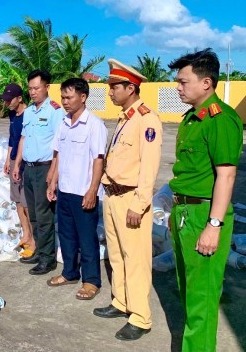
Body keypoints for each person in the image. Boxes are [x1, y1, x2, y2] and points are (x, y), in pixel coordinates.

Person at [167, 48, 242, 352]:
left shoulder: (220, 119)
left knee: (202, 302)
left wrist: (214, 225)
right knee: (189, 293)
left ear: (206, 83)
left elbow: (226, 176)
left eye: (184, 82)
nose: (178, 87)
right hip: (185, 212)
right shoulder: (191, 119)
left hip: (205, 215)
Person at [93, 59, 162, 341]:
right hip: (112, 196)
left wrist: (140, 203)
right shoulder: (125, 117)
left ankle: (141, 317)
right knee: (117, 255)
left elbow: (149, 166)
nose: (110, 92)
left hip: (131, 198)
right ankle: (121, 302)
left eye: (114, 87)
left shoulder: (147, 119)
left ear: (130, 88)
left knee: (136, 259)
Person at [46, 78, 107, 300]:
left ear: (83, 97)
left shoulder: (95, 125)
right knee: (67, 235)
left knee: (86, 238)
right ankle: (69, 272)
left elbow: (98, 160)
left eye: (69, 97)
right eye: (63, 97)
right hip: (65, 190)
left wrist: (93, 190)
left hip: (84, 192)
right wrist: (52, 182)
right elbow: (58, 154)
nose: (65, 101)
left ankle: (91, 281)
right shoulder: (63, 123)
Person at [13, 70, 65, 275]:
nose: (33, 92)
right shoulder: (29, 112)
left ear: (47, 87)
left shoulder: (55, 111)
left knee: (44, 216)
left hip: (45, 168)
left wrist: (53, 173)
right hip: (29, 168)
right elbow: (23, 139)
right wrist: (17, 164)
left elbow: (59, 146)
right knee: (33, 214)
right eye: (30, 88)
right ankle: (37, 250)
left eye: (36, 88)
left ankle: (47, 258)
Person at [0, 83, 36, 258]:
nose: (7, 103)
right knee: (18, 201)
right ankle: (26, 234)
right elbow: (12, 139)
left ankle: (34, 241)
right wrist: (8, 160)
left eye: (9, 100)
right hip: (14, 160)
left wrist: (18, 163)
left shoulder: (30, 115)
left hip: (25, 162)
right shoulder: (12, 114)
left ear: (20, 98)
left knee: (27, 202)